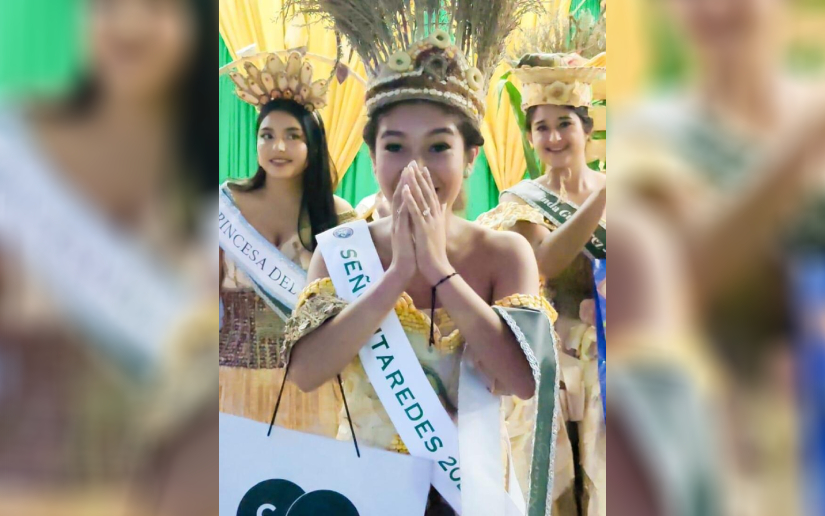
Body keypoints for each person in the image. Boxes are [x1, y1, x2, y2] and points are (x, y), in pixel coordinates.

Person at [279, 1, 559, 513]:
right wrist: (396, 277)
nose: (414, 167)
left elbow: (520, 380)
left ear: (471, 157)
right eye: (395, 147)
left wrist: (439, 271)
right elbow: (304, 373)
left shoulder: (505, 252)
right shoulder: (340, 252)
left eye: (437, 147)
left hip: (469, 491)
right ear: (372, 156)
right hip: (366, 491)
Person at [0, 0, 218, 514]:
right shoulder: (18, 153)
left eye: (156, 8)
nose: (128, 26)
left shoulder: (207, 195)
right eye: (108, 6)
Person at [477, 51, 606, 515]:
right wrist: (604, 198)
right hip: (548, 348)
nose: (553, 137)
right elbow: (545, 262)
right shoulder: (524, 201)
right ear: (530, 138)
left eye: (564, 124)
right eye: (541, 127)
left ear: (586, 130)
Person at [218, 51, 355, 436]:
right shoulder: (225, 208)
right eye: (267, 136)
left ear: (312, 143)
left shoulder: (339, 217)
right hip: (228, 388)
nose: (278, 148)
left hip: (311, 390)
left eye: (292, 136)